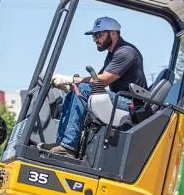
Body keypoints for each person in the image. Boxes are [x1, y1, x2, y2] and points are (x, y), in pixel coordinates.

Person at [40, 16, 147, 157]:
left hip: (133, 105)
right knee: (77, 89)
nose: (96, 40)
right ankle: (63, 143)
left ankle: (68, 146)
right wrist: (71, 85)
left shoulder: (126, 52)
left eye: (99, 35)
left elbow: (101, 81)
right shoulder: (112, 55)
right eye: (94, 36)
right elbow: (96, 80)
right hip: (122, 100)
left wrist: (70, 79)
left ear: (113, 33)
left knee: (83, 89)